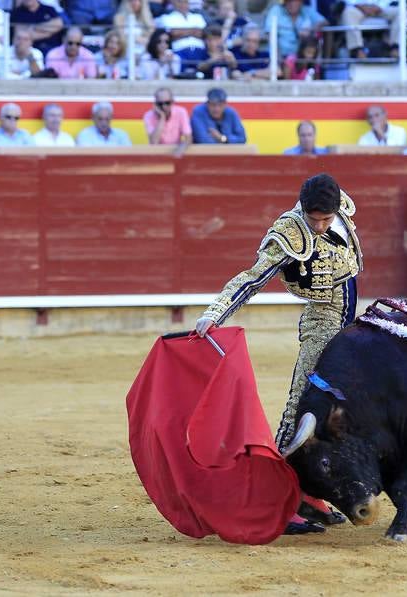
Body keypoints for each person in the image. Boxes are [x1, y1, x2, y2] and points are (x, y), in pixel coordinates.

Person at [194, 173, 362, 535]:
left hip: (349, 316)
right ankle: (277, 501)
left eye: (326, 219)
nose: (319, 226)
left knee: (338, 408)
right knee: (302, 407)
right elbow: (252, 277)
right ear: (303, 209)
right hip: (323, 320)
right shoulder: (289, 234)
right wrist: (216, 312)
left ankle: (307, 492)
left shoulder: (338, 204)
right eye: (314, 218)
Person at [144, 87, 191, 156]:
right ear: (155, 104)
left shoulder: (181, 112)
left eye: (167, 103)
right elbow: (153, 143)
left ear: (172, 102)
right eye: (160, 104)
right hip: (158, 154)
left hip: (177, 151)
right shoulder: (149, 115)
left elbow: (188, 138)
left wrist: (180, 149)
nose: (164, 106)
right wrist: (162, 118)